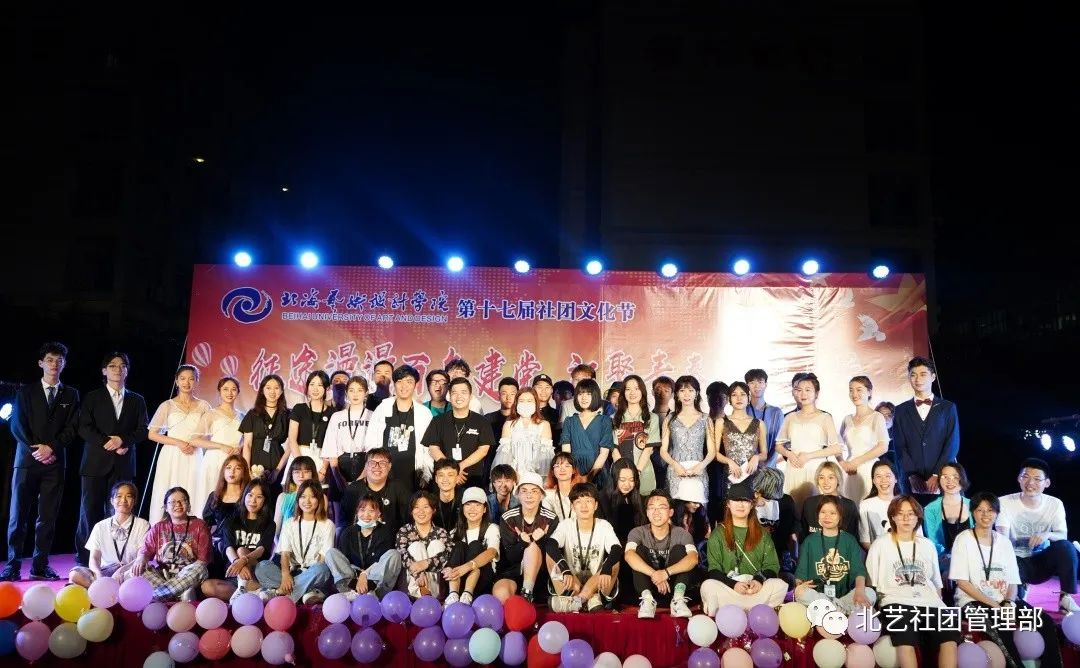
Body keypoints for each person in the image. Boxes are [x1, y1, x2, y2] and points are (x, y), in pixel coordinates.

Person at [950, 491, 1063, 668]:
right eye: (980, 510)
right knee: (1001, 625)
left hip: (1004, 602)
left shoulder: (1004, 542)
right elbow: (962, 583)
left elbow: (1013, 580)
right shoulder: (963, 539)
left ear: (997, 513)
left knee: (1044, 621)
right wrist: (996, 607)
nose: (986, 515)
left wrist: (1009, 603)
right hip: (972, 602)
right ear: (973, 513)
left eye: (990, 510)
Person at [865, 496, 959, 668]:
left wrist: (939, 604)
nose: (906, 518)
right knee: (906, 642)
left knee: (950, 639)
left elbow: (936, 583)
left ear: (918, 517)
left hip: (930, 602)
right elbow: (872, 581)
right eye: (901, 514)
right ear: (892, 517)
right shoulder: (880, 544)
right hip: (896, 602)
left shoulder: (927, 545)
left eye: (911, 514)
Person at [76, 351, 148, 568]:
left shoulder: (137, 399)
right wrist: (108, 441)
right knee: (89, 511)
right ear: (104, 371)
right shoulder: (92, 397)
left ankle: (117, 560)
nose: (118, 369)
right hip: (95, 463)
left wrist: (123, 440)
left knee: (120, 512)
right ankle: (85, 560)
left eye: (122, 366)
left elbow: (143, 429)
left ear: (127, 371)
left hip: (123, 463)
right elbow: (83, 427)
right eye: (113, 365)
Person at [996, 457, 1080, 613]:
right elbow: (1002, 537)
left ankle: (1065, 598)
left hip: (1042, 562)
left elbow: (1062, 535)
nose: (1030, 483)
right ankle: (1019, 590)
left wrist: (1047, 534)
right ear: (1019, 479)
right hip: (1015, 561)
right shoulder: (1004, 502)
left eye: (1037, 479)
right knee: (1014, 605)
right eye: (1025, 477)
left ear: (1046, 483)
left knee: (1066, 547)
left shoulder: (1055, 504)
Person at [699, 480, 789, 613]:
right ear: (728, 504)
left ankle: (735, 610)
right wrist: (734, 585)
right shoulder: (718, 533)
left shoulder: (763, 533)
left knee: (779, 585)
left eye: (745, 501)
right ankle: (754, 609)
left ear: (752, 504)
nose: (741, 505)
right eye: (736, 500)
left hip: (755, 590)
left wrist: (758, 581)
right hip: (730, 589)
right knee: (708, 586)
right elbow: (714, 570)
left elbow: (772, 566)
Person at [545, 482, 623, 612]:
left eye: (588, 501)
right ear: (573, 506)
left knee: (615, 563)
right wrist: (564, 569)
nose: (584, 506)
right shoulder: (566, 524)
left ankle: (577, 601)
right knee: (550, 556)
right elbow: (551, 545)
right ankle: (585, 601)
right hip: (571, 582)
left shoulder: (604, 525)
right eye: (578, 502)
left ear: (596, 505)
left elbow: (617, 549)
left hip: (597, 583)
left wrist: (607, 567)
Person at [148, 366, 211, 524]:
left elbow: (209, 433)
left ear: (196, 381)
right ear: (176, 381)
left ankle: (193, 529)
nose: (186, 382)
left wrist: (194, 444)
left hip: (194, 454)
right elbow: (152, 434)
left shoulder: (204, 405)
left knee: (193, 489)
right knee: (168, 489)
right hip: (172, 455)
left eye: (191, 379)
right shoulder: (167, 405)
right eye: (182, 378)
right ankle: (162, 529)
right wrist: (178, 442)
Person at [889, 356, 960, 498]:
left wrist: (937, 474)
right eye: (913, 375)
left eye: (923, 374)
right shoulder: (901, 410)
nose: (917, 379)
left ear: (933, 377)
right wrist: (912, 474)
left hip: (943, 478)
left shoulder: (947, 407)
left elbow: (952, 443)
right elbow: (899, 446)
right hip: (912, 482)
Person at [255, 479, 335, 603]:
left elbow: (323, 558)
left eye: (312, 497)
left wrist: (307, 574)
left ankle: (279, 592)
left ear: (319, 499)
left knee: (322, 570)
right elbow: (285, 554)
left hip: (312, 573)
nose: (307, 501)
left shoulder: (328, 524)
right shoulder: (289, 523)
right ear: (298, 499)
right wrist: (285, 575)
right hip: (292, 572)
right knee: (261, 566)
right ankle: (304, 592)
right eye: (303, 496)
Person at [794, 496, 875, 615]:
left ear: (840, 516)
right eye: (823, 512)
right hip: (818, 596)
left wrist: (859, 591)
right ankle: (842, 611)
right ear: (818, 515)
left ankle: (831, 610)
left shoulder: (849, 540)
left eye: (832, 513)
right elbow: (800, 575)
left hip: (845, 597)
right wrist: (799, 586)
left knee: (870, 593)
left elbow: (859, 571)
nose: (827, 516)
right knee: (800, 593)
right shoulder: (809, 541)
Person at [774, 373, 842, 514]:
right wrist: (789, 454)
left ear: (816, 393)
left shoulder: (825, 417)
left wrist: (809, 456)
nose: (803, 394)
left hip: (815, 468)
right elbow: (778, 445)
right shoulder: (790, 417)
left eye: (808, 390)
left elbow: (836, 448)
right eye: (799, 390)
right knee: (794, 509)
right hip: (794, 468)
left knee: (816, 509)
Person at [625, 489, 699, 618]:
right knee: (638, 551)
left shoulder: (681, 533)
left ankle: (678, 600)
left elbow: (693, 558)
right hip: (647, 585)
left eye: (662, 507)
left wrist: (665, 573)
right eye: (652, 507)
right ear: (647, 512)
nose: (656, 512)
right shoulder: (637, 532)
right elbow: (629, 556)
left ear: (671, 512)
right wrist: (655, 574)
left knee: (680, 550)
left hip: (673, 585)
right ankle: (647, 601)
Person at [200, 479, 275, 602]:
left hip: (255, 573)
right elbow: (228, 547)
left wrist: (243, 560)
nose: (253, 501)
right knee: (206, 586)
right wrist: (236, 562)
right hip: (235, 574)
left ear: (265, 500)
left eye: (259, 497)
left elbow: (261, 549)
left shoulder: (269, 524)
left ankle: (246, 589)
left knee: (241, 550)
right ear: (244, 496)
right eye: (250, 495)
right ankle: (254, 593)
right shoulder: (232, 520)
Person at [131, 486, 211, 601]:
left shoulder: (200, 525)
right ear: (166, 508)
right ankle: (178, 595)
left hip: (188, 575)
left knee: (200, 568)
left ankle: (154, 597)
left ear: (188, 505)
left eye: (182, 500)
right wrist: (141, 558)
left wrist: (183, 576)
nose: (178, 504)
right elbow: (146, 551)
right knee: (138, 569)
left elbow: (203, 560)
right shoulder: (158, 527)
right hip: (163, 574)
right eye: (172, 502)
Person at [365, 364, 435, 489]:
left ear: (416, 385)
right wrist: (375, 468)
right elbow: (371, 441)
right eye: (399, 381)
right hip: (385, 473)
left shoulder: (424, 413)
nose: (404, 386)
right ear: (394, 384)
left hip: (414, 474)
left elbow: (429, 447)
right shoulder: (383, 408)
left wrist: (426, 474)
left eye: (409, 381)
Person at [69, 481, 150, 587]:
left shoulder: (143, 524)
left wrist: (121, 571)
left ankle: (100, 588)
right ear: (112, 501)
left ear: (134, 501)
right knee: (75, 573)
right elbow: (94, 558)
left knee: (144, 574)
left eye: (128, 496)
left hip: (129, 570)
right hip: (105, 571)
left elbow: (141, 557)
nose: (123, 500)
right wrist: (98, 575)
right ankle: (105, 586)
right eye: (119, 496)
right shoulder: (100, 526)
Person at [493, 471, 559, 602]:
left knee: (532, 547)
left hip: (540, 573)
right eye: (524, 491)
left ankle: (527, 594)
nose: (529, 495)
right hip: (515, 569)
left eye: (534, 491)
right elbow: (510, 557)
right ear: (518, 494)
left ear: (541, 495)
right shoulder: (508, 517)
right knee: (501, 593)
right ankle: (521, 598)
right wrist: (522, 544)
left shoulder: (551, 518)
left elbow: (553, 554)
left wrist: (542, 541)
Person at [324, 493, 403, 600]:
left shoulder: (386, 533)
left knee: (394, 554)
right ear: (357, 512)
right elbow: (344, 562)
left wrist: (365, 574)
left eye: (371, 511)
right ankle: (352, 592)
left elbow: (383, 562)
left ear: (379, 513)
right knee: (331, 553)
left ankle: (370, 590)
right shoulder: (348, 532)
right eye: (362, 510)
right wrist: (359, 576)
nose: (366, 515)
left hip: (377, 585)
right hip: (352, 583)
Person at [424, 377, 495, 489]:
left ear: (470, 396)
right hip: (444, 480)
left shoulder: (482, 421)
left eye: (463, 392)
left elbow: (483, 450)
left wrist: (460, 466)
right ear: (449, 396)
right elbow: (433, 449)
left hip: (472, 480)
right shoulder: (438, 421)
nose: (459, 396)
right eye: (454, 393)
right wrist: (451, 470)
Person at [190, 377, 245, 519]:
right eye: (225, 389)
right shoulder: (211, 414)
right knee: (211, 494)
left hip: (234, 461)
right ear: (219, 391)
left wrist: (240, 447)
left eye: (233, 389)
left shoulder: (242, 416)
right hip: (214, 459)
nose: (229, 393)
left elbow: (246, 440)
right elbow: (195, 440)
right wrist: (221, 445)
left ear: (238, 392)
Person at [922, 461, 972, 603]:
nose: (950, 481)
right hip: (943, 560)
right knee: (946, 580)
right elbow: (933, 543)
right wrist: (949, 563)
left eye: (955, 477)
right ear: (939, 479)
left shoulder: (973, 505)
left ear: (962, 479)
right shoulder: (930, 509)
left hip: (971, 558)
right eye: (945, 477)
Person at [661, 376, 714, 508]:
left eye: (690, 390)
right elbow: (663, 451)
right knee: (677, 513)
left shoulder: (705, 419)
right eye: (682, 391)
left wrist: (701, 466)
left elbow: (712, 452)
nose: (686, 394)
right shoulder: (670, 418)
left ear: (697, 393)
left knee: (699, 514)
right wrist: (675, 465)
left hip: (698, 471)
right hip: (676, 472)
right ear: (677, 395)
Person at [443, 487, 501, 604]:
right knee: (459, 545)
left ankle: (467, 594)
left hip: (481, 581)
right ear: (462, 508)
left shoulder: (492, 528)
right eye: (468, 504)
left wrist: (468, 566)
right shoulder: (454, 532)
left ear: (484, 509)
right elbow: (447, 558)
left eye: (477, 505)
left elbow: (492, 552)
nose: (472, 509)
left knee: (475, 545)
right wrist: (447, 568)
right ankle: (453, 595)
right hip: (458, 580)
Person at [715, 382, 766, 510]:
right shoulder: (722, 422)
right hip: (731, 476)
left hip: (752, 475)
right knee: (731, 512)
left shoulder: (759, 423)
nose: (739, 398)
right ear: (729, 399)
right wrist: (729, 461)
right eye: (734, 395)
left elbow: (764, 454)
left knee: (752, 512)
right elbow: (715, 453)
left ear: (748, 398)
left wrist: (756, 457)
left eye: (743, 394)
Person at [839, 376, 890, 502]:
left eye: (859, 390)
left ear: (869, 392)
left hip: (869, 468)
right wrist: (842, 463)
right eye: (851, 390)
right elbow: (838, 446)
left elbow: (883, 446)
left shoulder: (877, 417)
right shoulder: (846, 419)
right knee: (850, 505)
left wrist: (857, 462)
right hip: (849, 470)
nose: (854, 394)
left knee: (868, 504)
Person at [339, 448, 411, 533]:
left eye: (382, 463)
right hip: (360, 538)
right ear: (366, 466)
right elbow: (345, 523)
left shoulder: (399, 489)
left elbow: (408, 521)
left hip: (393, 539)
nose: (377, 467)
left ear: (389, 466)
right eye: (372, 463)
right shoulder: (353, 490)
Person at [201, 455, 250, 578]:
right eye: (228, 468)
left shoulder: (249, 496)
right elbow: (207, 524)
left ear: (244, 472)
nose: (232, 471)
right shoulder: (214, 496)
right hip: (218, 544)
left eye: (237, 468)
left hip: (240, 542)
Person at [611, 375, 661, 494]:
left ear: (642, 391)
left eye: (636, 388)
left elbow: (648, 449)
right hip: (620, 476)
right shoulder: (614, 418)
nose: (632, 393)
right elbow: (614, 449)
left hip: (644, 472)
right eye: (628, 389)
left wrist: (636, 473)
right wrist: (624, 475)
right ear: (623, 393)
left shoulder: (652, 418)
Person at [560, 378, 614, 489]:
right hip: (574, 474)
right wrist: (575, 476)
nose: (584, 398)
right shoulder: (569, 421)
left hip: (598, 474)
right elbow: (566, 453)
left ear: (595, 396)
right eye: (580, 394)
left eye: (588, 394)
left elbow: (604, 453)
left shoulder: (604, 421)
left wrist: (588, 478)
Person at [603, 459, 645, 601]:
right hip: (612, 547)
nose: (627, 484)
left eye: (631, 480)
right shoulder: (603, 498)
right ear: (614, 479)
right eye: (622, 480)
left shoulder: (639, 499)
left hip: (634, 547)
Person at [491, 386, 554, 480]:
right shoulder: (509, 425)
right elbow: (504, 455)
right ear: (516, 403)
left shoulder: (544, 424)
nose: (525, 404)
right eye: (521, 401)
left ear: (536, 403)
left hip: (536, 477)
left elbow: (546, 457)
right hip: (514, 476)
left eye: (529, 401)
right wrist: (512, 475)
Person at [397, 491, 452, 599]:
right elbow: (403, 555)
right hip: (411, 584)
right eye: (416, 507)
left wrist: (426, 563)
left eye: (426, 507)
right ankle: (420, 593)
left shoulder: (441, 532)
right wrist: (419, 573)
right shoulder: (404, 531)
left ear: (433, 510)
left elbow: (447, 555)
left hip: (436, 587)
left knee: (436, 544)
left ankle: (429, 594)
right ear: (411, 511)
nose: (421, 511)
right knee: (416, 546)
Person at [240, 374, 292, 485]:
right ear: (262, 390)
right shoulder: (253, 414)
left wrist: (278, 470)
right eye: (268, 388)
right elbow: (247, 444)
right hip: (254, 465)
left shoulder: (288, 415)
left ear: (282, 391)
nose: (272, 391)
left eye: (276, 388)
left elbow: (290, 445)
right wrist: (247, 470)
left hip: (278, 465)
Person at [858, 459, 920, 550]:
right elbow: (865, 539)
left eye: (888, 476)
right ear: (873, 480)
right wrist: (881, 554)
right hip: (878, 553)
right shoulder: (866, 505)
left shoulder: (908, 503)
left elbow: (918, 535)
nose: (883, 480)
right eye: (879, 476)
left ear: (896, 479)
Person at [286, 370, 335, 483]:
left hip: (321, 459)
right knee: (295, 492)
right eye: (312, 384)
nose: (315, 389)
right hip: (299, 455)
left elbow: (331, 444)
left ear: (326, 388)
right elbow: (292, 439)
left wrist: (323, 469)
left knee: (317, 492)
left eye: (320, 385)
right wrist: (300, 465)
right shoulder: (299, 409)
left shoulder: (332, 412)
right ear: (307, 387)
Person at [750, 467, 798, 586]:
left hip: (778, 553)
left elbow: (792, 533)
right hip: (752, 552)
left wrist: (794, 557)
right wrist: (753, 504)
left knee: (786, 580)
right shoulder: (749, 500)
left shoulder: (786, 501)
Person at [321, 376, 371, 486]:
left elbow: (374, 449)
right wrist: (338, 477)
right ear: (346, 392)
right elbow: (331, 448)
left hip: (365, 465)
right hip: (340, 466)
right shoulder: (337, 416)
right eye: (351, 390)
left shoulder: (372, 416)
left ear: (366, 393)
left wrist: (362, 478)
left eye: (360, 390)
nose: (355, 394)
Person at [797, 461, 859, 542]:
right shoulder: (809, 503)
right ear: (817, 480)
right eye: (821, 477)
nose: (826, 482)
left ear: (838, 480)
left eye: (831, 477)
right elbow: (803, 537)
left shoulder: (849, 505)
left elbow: (853, 539)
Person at [743, 369, 784, 467]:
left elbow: (779, 443)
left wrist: (767, 467)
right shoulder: (742, 411)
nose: (756, 386)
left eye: (760, 382)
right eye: (752, 382)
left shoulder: (776, 413)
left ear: (766, 385)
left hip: (770, 470)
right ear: (747, 386)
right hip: (747, 469)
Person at [273, 456, 319, 538]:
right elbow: (276, 531)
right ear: (291, 474)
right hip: (285, 542)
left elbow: (321, 527)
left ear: (313, 473)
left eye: (306, 471)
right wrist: (281, 545)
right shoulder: (283, 497)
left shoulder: (320, 497)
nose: (301, 475)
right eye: (297, 472)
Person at [544, 452, 585, 522]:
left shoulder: (582, 494)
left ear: (574, 470)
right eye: (557, 466)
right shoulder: (547, 495)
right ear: (552, 471)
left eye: (567, 466)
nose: (562, 469)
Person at [485, 377, 520, 457]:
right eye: (504, 394)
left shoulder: (521, 420)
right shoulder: (488, 419)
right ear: (499, 396)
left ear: (518, 396)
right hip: (491, 461)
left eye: (512, 394)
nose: (508, 398)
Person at [432, 459, 464, 531]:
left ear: (458, 478)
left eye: (450, 475)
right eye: (441, 475)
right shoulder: (429, 501)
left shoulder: (465, 499)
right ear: (436, 479)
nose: (445, 479)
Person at [531, 373, 560, 445]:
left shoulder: (558, 414)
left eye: (547, 387)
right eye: (540, 387)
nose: (543, 390)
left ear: (551, 390)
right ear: (533, 389)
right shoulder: (527, 413)